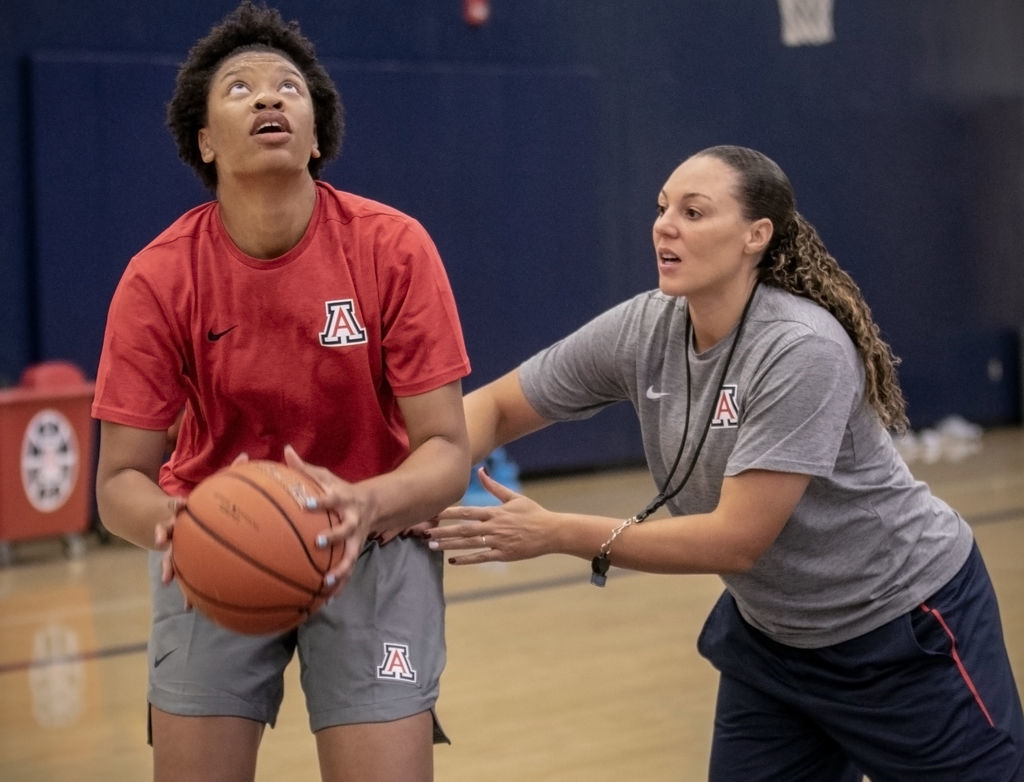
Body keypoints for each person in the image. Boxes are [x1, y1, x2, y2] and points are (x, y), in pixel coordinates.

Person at [425, 145, 1024, 780]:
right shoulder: (645, 326)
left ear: (755, 235)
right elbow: (492, 407)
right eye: (662, 209)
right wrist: (406, 478)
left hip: (902, 629)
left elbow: (736, 540)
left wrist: (555, 533)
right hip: (775, 644)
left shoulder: (800, 347)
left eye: (693, 211)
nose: (665, 225)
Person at [91, 3, 471, 781]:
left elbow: (446, 451)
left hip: (375, 539)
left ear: (318, 134)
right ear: (204, 141)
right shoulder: (159, 276)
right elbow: (117, 483)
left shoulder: (394, 248)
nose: (269, 98)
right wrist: (184, 526)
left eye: (288, 87)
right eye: (239, 88)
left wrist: (368, 504)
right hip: (216, 548)